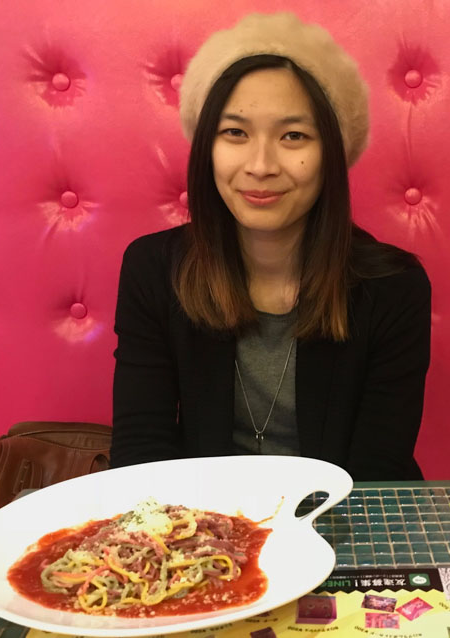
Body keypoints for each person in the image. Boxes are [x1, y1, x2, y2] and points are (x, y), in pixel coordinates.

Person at [110, 12, 431, 480]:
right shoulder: (154, 270)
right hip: (204, 532)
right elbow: (143, 452)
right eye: (235, 132)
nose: (261, 165)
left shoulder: (393, 288)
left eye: (293, 136)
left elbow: (377, 472)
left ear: (331, 155)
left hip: (346, 525)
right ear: (207, 148)